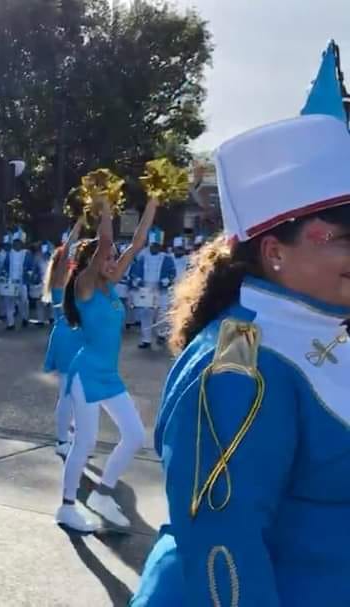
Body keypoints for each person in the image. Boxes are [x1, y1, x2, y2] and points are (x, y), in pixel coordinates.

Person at [132, 113, 350, 606]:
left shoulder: (322, 325)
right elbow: (224, 542)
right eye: (344, 238)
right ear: (274, 252)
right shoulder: (238, 363)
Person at [55, 191, 159, 532]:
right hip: (85, 375)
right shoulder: (84, 285)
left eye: (115, 258)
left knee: (135, 436)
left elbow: (137, 243)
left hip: (108, 376)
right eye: (108, 257)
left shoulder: (109, 285)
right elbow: (105, 241)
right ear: (92, 261)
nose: (114, 261)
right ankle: (67, 507)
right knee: (84, 443)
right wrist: (105, 207)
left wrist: (154, 200)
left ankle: (102, 494)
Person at [42, 220, 84, 459]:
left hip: (79, 339)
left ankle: (74, 436)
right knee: (67, 392)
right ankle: (61, 440)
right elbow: (67, 251)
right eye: (68, 260)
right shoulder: (60, 281)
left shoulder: (75, 284)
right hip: (66, 339)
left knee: (78, 392)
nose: (72, 262)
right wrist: (78, 226)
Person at [128, 229, 176, 348]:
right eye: (153, 245)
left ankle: (161, 334)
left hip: (161, 290)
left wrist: (165, 281)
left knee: (162, 314)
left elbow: (172, 273)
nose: (155, 248)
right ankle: (146, 340)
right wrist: (138, 282)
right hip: (146, 290)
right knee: (146, 314)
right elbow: (134, 272)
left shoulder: (167, 258)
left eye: (157, 246)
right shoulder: (142, 257)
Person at [0, 230, 37, 330]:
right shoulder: (9, 254)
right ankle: (10, 323)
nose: (17, 244)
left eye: (19, 242)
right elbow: (5, 267)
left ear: (22, 243)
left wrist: (29, 274)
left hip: (22, 282)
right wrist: (4, 276)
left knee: (24, 301)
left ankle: (25, 318)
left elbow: (31, 266)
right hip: (10, 282)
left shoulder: (27, 253)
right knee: (9, 302)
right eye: (15, 242)